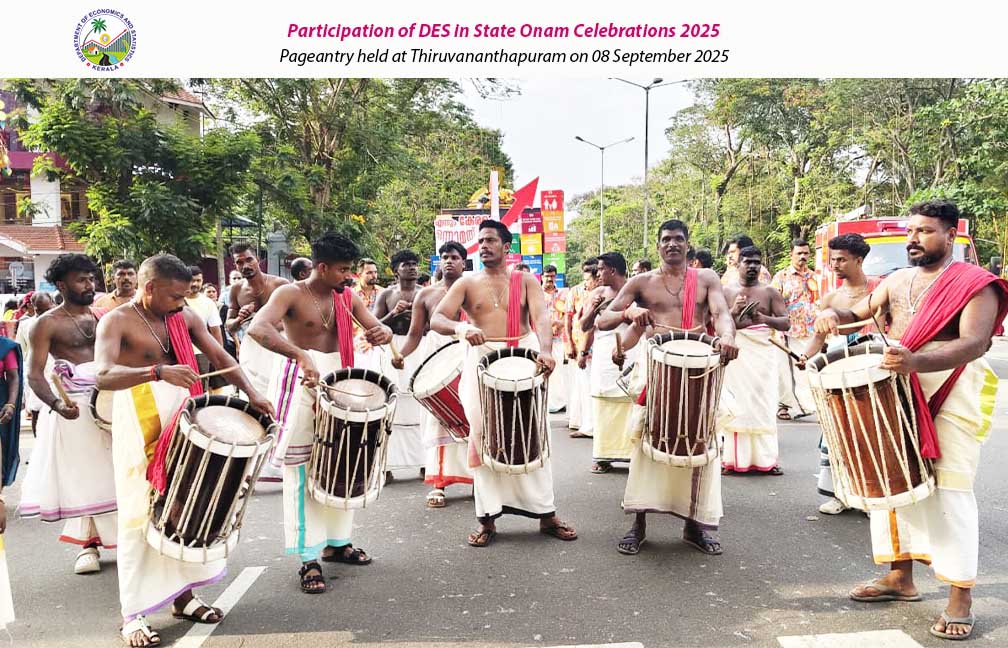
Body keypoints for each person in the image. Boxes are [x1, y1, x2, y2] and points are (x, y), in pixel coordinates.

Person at [815, 200, 1008, 641]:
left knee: (951, 488)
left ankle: (960, 596)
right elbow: (856, 314)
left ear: (951, 235)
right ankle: (899, 576)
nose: (913, 239)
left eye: (925, 231)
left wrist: (916, 360)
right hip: (897, 383)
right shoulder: (897, 280)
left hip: (951, 385)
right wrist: (831, 315)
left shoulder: (976, 284)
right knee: (891, 478)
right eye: (911, 231)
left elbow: (975, 343)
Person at [95, 254, 273, 646]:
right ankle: (133, 614)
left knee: (186, 504)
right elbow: (103, 375)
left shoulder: (185, 316)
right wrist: (157, 371)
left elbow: (221, 356)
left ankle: (184, 597)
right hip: (140, 414)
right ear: (149, 288)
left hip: (186, 411)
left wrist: (253, 393)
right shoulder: (116, 321)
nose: (181, 302)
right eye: (175, 296)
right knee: (141, 512)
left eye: (185, 295)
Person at [248, 233, 392, 594]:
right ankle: (308, 556)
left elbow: (377, 327)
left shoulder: (347, 296)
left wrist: (384, 333)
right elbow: (257, 328)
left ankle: (338, 543)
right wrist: (300, 355)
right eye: (342, 269)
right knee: (301, 470)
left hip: (341, 379)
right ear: (322, 267)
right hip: (301, 381)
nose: (348, 276)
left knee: (342, 461)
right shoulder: (290, 294)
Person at [431, 220, 577, 548]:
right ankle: (487, 518)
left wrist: (545, 350)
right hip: (480, 361)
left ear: (506, 246)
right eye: (480, 241)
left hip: (522, 357)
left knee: (532, 434)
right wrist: (462, 329)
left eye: (490, 240)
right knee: (482, 436)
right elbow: (437, 318)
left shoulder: (526, 281)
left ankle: (546, 514)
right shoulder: (466, 283)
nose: (483, 246)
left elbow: (541, 318)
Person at [597, 219, 738, 557]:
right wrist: (630, 312)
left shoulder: (706, 278)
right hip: (656, 369)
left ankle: (695, 525)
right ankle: (639, 523)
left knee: (701, 444)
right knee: (646, 445)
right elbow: (603, 319)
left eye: (678, 239)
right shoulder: (642, 282)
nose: (672, 244)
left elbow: (721, 314)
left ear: (687, 244)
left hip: (700, 368)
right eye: (665, 239)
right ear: (658, 245)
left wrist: (728, 337)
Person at [18, 255, 117, 575]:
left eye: (91, 279)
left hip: (111, 403)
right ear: (61, 285)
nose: (90, 285)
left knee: (118, 475)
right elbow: (34, 374)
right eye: (81, 280)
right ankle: (87, 546)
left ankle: (126, 541)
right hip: (73, 408)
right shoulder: (45, 324)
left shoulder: (104, 316)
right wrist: (57, 405)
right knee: (84, 479)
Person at [800, 233, 877, 515]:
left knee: (871, 432)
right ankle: (840, 494)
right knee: (838, 431)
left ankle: (872, 496)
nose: (835, 265)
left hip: (872, 371)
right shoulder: (831, 298)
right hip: (836, 373)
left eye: (842, 260)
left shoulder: (879, 290)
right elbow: (818, 338)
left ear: (859, 260)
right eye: (832, 260)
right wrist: (806, 356)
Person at [394, 242, 473, 508]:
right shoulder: (426, 295)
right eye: (444, 257)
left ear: (464, 262)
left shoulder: (475, 289)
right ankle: (438, 484)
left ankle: (478, 479)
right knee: (438, 418)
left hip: (468, 353)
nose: (449, 261)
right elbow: (415, 334)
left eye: (454, 257)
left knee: (474, 416)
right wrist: (401, 355)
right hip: (435, 359)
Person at [721, 246, 791, 475]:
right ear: (738, 264)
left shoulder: (770, 292)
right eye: (748, 262)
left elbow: (786, 322)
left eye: (756, 262)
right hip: (737, 353)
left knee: (764, 403)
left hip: (763, 353)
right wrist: (733, 311)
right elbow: (717, 323)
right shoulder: (726, 291)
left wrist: (763, 318)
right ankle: (732, 460)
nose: (752, 266)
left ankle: (767, 460)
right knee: (736, 403)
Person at [580, 252, 638, 473]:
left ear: (613, 270)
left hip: (631, 349)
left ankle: (633, 454)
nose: (598, 274)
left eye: (601, 269)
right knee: (602, 400)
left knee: (632, 399)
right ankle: (602, 456)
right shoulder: (598, 293)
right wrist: (593, 309)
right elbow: (584, 326)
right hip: (603, 353)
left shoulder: (635, 290)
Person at [374, 250, 426, 478]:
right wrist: (394, 313)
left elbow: (433, 324)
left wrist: (417, 316)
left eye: (414, 263)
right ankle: (387, 467)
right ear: (396, 270)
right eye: (406, 264)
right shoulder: (386, 295)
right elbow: (374, 324)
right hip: (392, 349)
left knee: (421, 402)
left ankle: (426, 463)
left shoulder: (425, 293)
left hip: (420, 348)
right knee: (391, 404)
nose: (412, 268)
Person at [226, 243, 288, 404]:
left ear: (258, 259)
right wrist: (240, 318)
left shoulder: (280, 285)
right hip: (253, 348)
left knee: (282, 391)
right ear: (235, 265)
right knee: (254, 395)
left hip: (281, 344)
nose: (245, 266)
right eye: (239, 262)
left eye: (249, 260)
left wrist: (268, 325)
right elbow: (229, 326)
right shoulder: (236, 290)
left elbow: (296, 318)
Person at [771, 238, 819, 420]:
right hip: (787, 331)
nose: (802, 257)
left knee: (806, 369)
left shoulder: (814, 277)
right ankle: (784, 406)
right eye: (799, 253)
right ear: (791, 254)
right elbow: (773, 303)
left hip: (810, 331)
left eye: (806, 253)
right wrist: (776, 329)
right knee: (784, 371)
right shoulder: (781, 277)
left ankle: (807, 405)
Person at [566, 258, 598, 438]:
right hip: (582, 346)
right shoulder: (578, 292)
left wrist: (584, 352)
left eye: (588, 280)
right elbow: (570, 319)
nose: (585, 284)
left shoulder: (599, 296)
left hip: (591, 350)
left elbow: (590, 327)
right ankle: (586, 424)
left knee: (590, 389)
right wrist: (571, 344)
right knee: (583, 388)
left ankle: (591, 427)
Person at [15, 291, 53, 437]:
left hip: (55, 372)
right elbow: (21, 350)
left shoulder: (58, 323)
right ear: (32, 307)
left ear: (52, 305)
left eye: (46, 310)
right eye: (39, 310)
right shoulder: (25, 325)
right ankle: (38, 442)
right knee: (36, 409)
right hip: (35, 372)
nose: (43, 314)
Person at [185, 267, 226, 393]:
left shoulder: (208, 303)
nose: (195, 284)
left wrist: (219, 356)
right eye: (192, 280)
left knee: (200, 388)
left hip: (201, 352)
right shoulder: (176, 300)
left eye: (198, 280)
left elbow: (216, 330)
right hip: (178, 350)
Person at [541, 265, 570, 415]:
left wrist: (560, 323)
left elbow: (569, 314)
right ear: (542, 277)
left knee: (557, 370)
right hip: (540, 338)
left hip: (558, 338)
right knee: (542, 369)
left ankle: (558, 402)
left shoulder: (563, 294)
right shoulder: (537, 294)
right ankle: (544, 401)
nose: (550, 279)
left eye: (552, 276)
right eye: (547, 276)